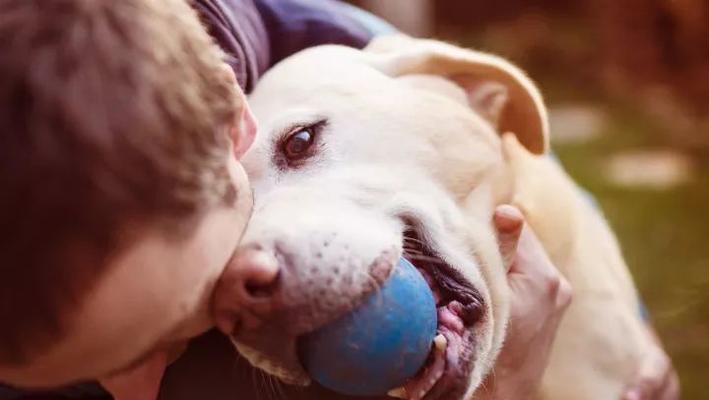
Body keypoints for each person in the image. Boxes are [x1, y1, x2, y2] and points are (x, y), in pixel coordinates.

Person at [0, 0, 678, 399]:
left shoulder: (339, 48)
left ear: (231, 121)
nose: (246, 287)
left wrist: (629, 327)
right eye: (137, 351)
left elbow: (510, 154)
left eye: (298, 147)